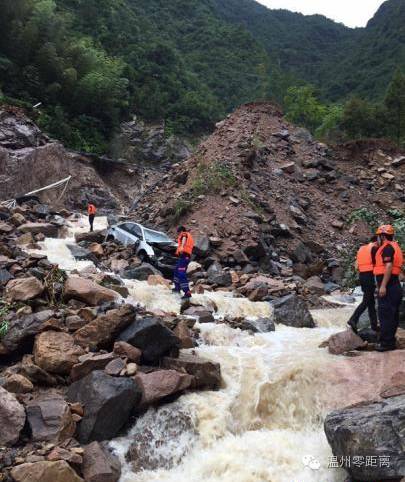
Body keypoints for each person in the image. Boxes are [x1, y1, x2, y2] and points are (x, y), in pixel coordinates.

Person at [373, 225, 404, 352]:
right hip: (394, 285)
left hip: (389, 286)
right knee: (392, 315)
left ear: (383, 236)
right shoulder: (395, 247)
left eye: (379, 236)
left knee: (385, 314)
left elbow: (389, 266)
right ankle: (389, 341)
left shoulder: (387, 248)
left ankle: (386, 343)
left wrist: (383, 286)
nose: (378, 239)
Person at [347, 236, 378, 333]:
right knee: (366, 300)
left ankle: (374, 325)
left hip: (362, 276)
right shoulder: (374, 248)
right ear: (376, 241)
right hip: (369, 276)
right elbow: (378, 263)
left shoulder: (362, 249)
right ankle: (353, 319)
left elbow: (356, 265)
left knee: (371, 302)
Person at [173, 226, 194, 299]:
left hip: (185, 257)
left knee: (181, 273)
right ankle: (177, 288)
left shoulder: (184, 234)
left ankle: (187, 292)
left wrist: (182, 246)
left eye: (179, 233)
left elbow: (184, 238)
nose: (179, 235)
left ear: (181, 231)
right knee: (176, 271)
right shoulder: (187, 235)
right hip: (183, 257)